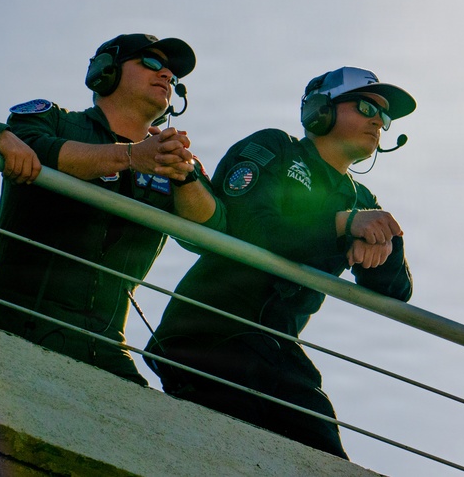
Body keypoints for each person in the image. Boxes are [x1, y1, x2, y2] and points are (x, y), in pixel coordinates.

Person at [146, 66, 415, 460]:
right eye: (365, 107)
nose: (378, 121)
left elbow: (395, 292)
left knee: (325, 461)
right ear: (320, 110)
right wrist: (342, 225)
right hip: (210, 331)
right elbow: (252, 228)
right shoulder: (273, 146)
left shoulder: (361, 199)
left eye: (384, 116)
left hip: (276, 349)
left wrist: (385, 245)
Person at [0, 34, 224, 386]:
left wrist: (183, 176)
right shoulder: (53, 118)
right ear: (106, 70)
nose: (166, 75)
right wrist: (131, 156)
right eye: (151, 62)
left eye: (172, 74)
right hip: (8, 320)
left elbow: (212, 232)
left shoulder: (174, 161)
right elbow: (33, 145)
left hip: (107, 347)